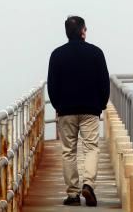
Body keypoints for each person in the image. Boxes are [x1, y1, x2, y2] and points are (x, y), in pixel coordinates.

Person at [47, 15, 110, 207]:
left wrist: (58, 105)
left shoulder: (57, 54)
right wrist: (101, 104)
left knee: (69, 151)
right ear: (83, 31)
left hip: (66, 110)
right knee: (91, 147)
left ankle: (73, 195)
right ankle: (88, 185)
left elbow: (52, 85)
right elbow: (104, 83)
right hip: (90, 109)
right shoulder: (96, 53)